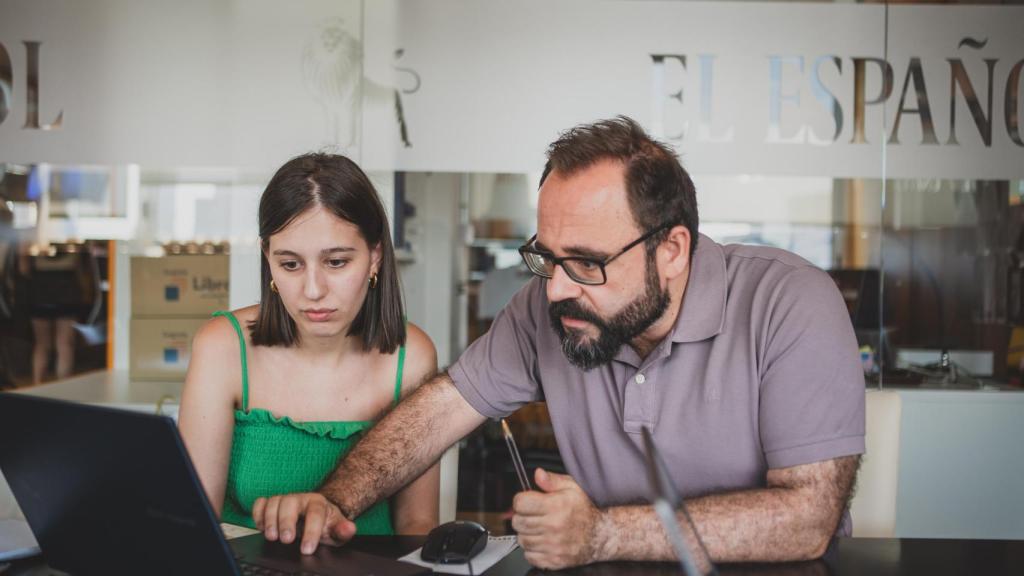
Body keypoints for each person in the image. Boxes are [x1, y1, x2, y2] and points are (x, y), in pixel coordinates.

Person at [253, 117, 865, 566]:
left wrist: (603, 534)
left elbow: (808, 519)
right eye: (547, 259)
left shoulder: (791, 303)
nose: (556, 291)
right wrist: (336, 499)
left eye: (588, 263)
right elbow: (439, 413)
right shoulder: (553, 309)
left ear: (672, 250)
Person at [178, 153, 440, 536]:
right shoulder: (223, 347)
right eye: (290, 264)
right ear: (268, 260)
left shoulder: (411, 357)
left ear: (375, 258)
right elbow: (193, 523)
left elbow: (417, 526)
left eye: (335, 262)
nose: (313, 291)